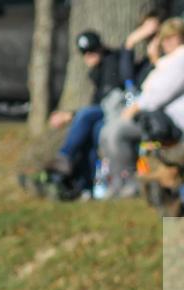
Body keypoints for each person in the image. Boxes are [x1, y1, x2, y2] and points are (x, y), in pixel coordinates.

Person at [98, 18, 184, 198]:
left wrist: (133, 109)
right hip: (160, 119)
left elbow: (158, 94)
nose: (167, 42)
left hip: (177, 123)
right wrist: (155, 59)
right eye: (164, 39)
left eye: (172, 37)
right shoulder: (171, 60)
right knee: (107, 131)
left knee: (117, 131)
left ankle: (130, 183)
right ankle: (117, 182)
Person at [45, 30, 122, 192]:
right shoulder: (97, 71)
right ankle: (85, 185)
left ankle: (64, 157)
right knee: (89, 132)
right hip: (103, 116)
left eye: (92, 51)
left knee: (85, 116)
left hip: (116, 112)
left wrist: (70, 115)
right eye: (85, 53)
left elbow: (106, 104)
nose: (89, 56)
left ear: (100, 47)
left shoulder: (112, 63)